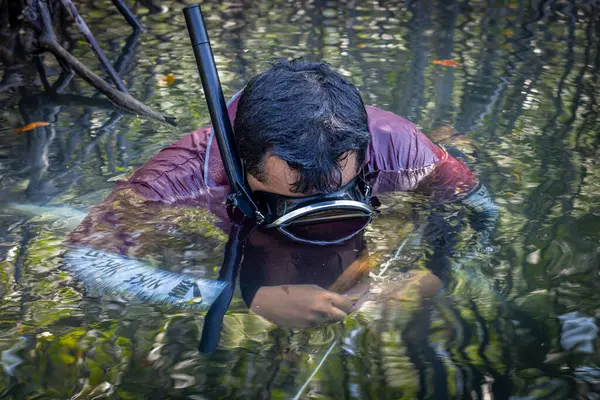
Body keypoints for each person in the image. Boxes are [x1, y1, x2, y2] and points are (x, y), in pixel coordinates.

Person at [67, 58, 497, 328]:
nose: (319, 208)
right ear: (241, 159)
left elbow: (478, 206)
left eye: (337, 188)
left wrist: (441, 270)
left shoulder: (395, 143)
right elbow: (85, 257)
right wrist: (230, 298)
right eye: (295, 196)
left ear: (361, 147)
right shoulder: (179, 180)